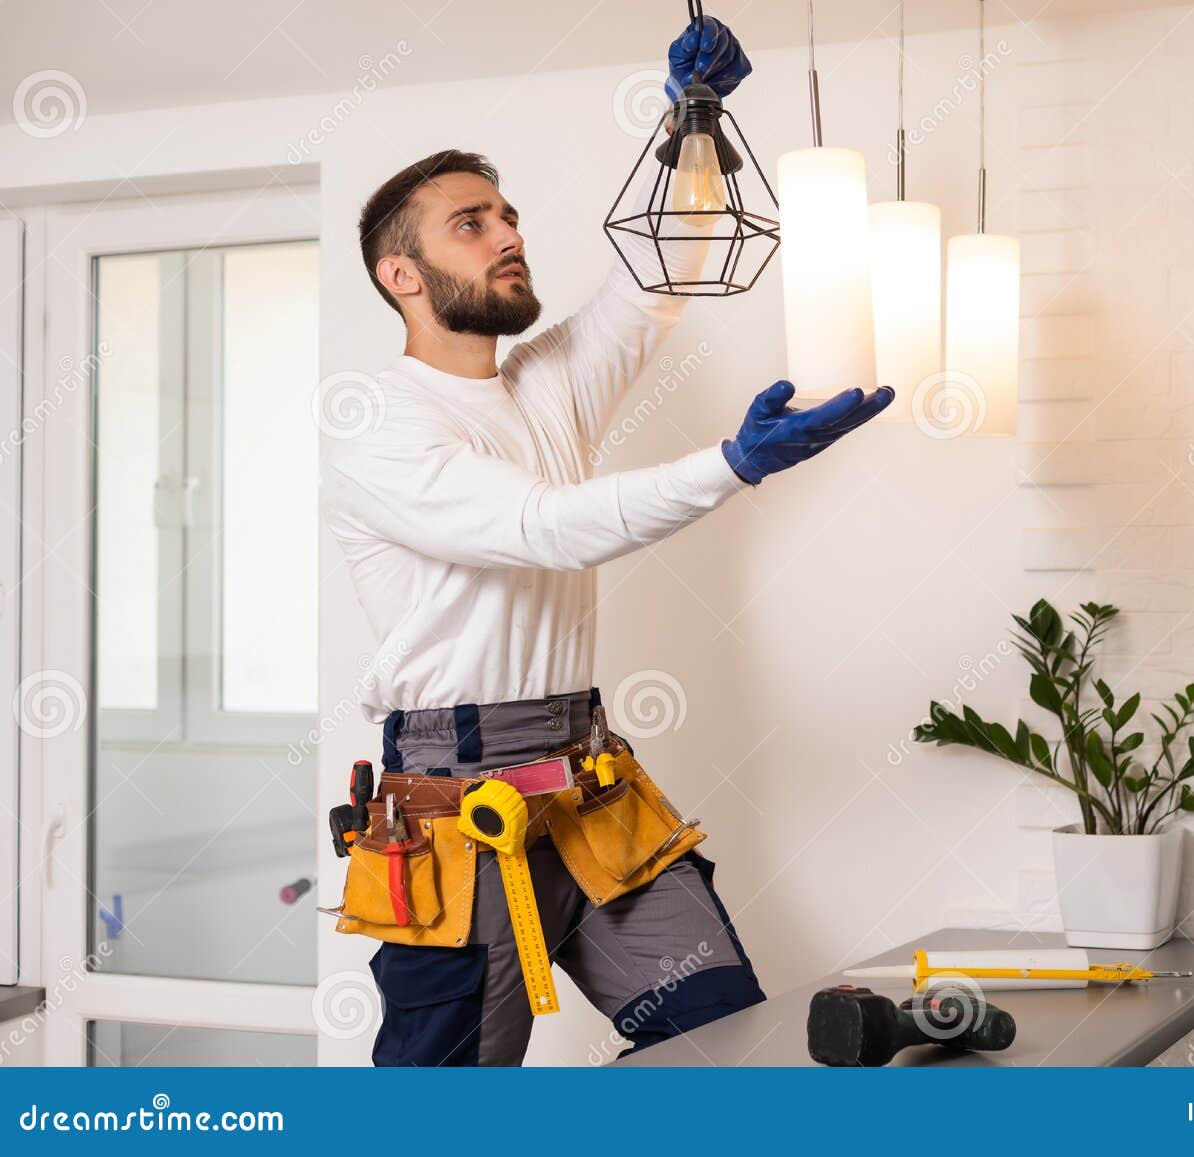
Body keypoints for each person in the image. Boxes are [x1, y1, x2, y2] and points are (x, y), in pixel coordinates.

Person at [324, 17, 893, 1066]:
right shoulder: (381, 427)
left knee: (723, 1037)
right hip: (455, 801)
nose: (507, 235)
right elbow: (542, 529)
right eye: (469, 224)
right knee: (444, 1096)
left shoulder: (537, 385)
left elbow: (658, 280)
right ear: (399, 274)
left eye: (508, 215)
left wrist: (695, 122)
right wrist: (734, 463)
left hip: (587, 779)